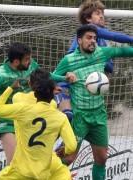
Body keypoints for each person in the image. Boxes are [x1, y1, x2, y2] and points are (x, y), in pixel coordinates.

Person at [53, 24, 133, 180]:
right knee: (67, 159)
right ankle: (47, 173)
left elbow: (125, 51)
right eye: (89, 38)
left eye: (95, 38)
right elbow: (49, 78)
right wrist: (65, 77)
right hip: (79, 117)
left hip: (99, 115)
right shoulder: (68, 60)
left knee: (102, 158)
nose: (93, 41)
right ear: (79, 40)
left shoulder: (102, 53)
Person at [0, 69, 77, 180]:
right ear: (52, 92)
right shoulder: (56, 110)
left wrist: (10, 88)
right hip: (46, 166)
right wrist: (65, 150)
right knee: (63, 173)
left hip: (21, 168)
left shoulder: (19, 101)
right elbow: (72, 146)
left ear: (31, 85)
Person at [0, 42, 39, 165]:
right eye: (27, 59)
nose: (30, 61)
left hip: (25, 119)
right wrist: (0, 112)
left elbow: (45, 76)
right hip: (5, 122)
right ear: (16, 62)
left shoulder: (31, 65)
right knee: (14, 164)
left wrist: (63, 79)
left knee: (30, 164)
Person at [68, 0, 133, 74]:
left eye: (102, 14)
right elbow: (114, 36)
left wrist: (101, 59)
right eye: (97, 14)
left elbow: (110, 68)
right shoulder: (89, 28)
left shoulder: (103, 40)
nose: (101, 16)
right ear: (88, 18)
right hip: (73, 74)